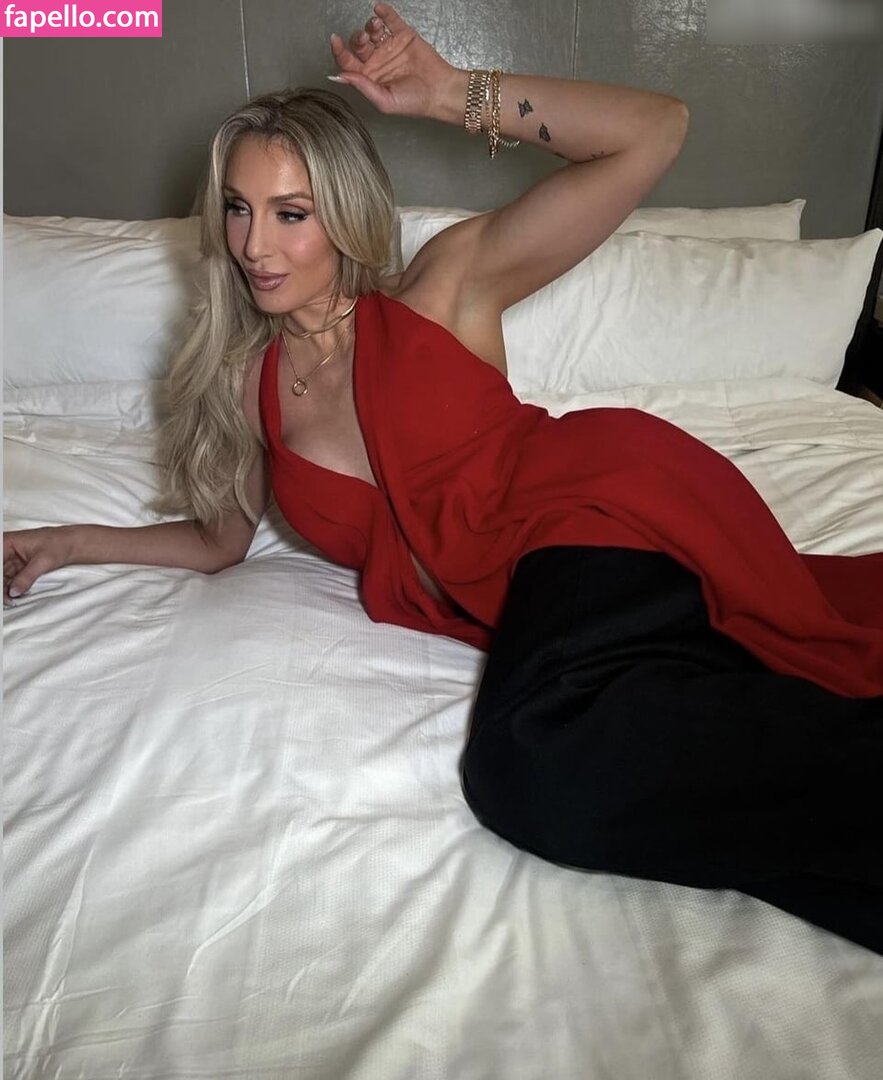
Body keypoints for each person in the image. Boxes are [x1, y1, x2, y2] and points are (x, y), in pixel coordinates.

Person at [4, 3, 883, 953]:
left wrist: (447, 92)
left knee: (530, 766)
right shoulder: (249, 387)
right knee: (681, 754)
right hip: (543, 606)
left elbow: (653, 131)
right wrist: (63, 541)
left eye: (291, 213)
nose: (255, 245)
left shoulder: (441, 289)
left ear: (343, 213)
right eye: (238, 208)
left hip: (587, 517)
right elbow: (220, 542)